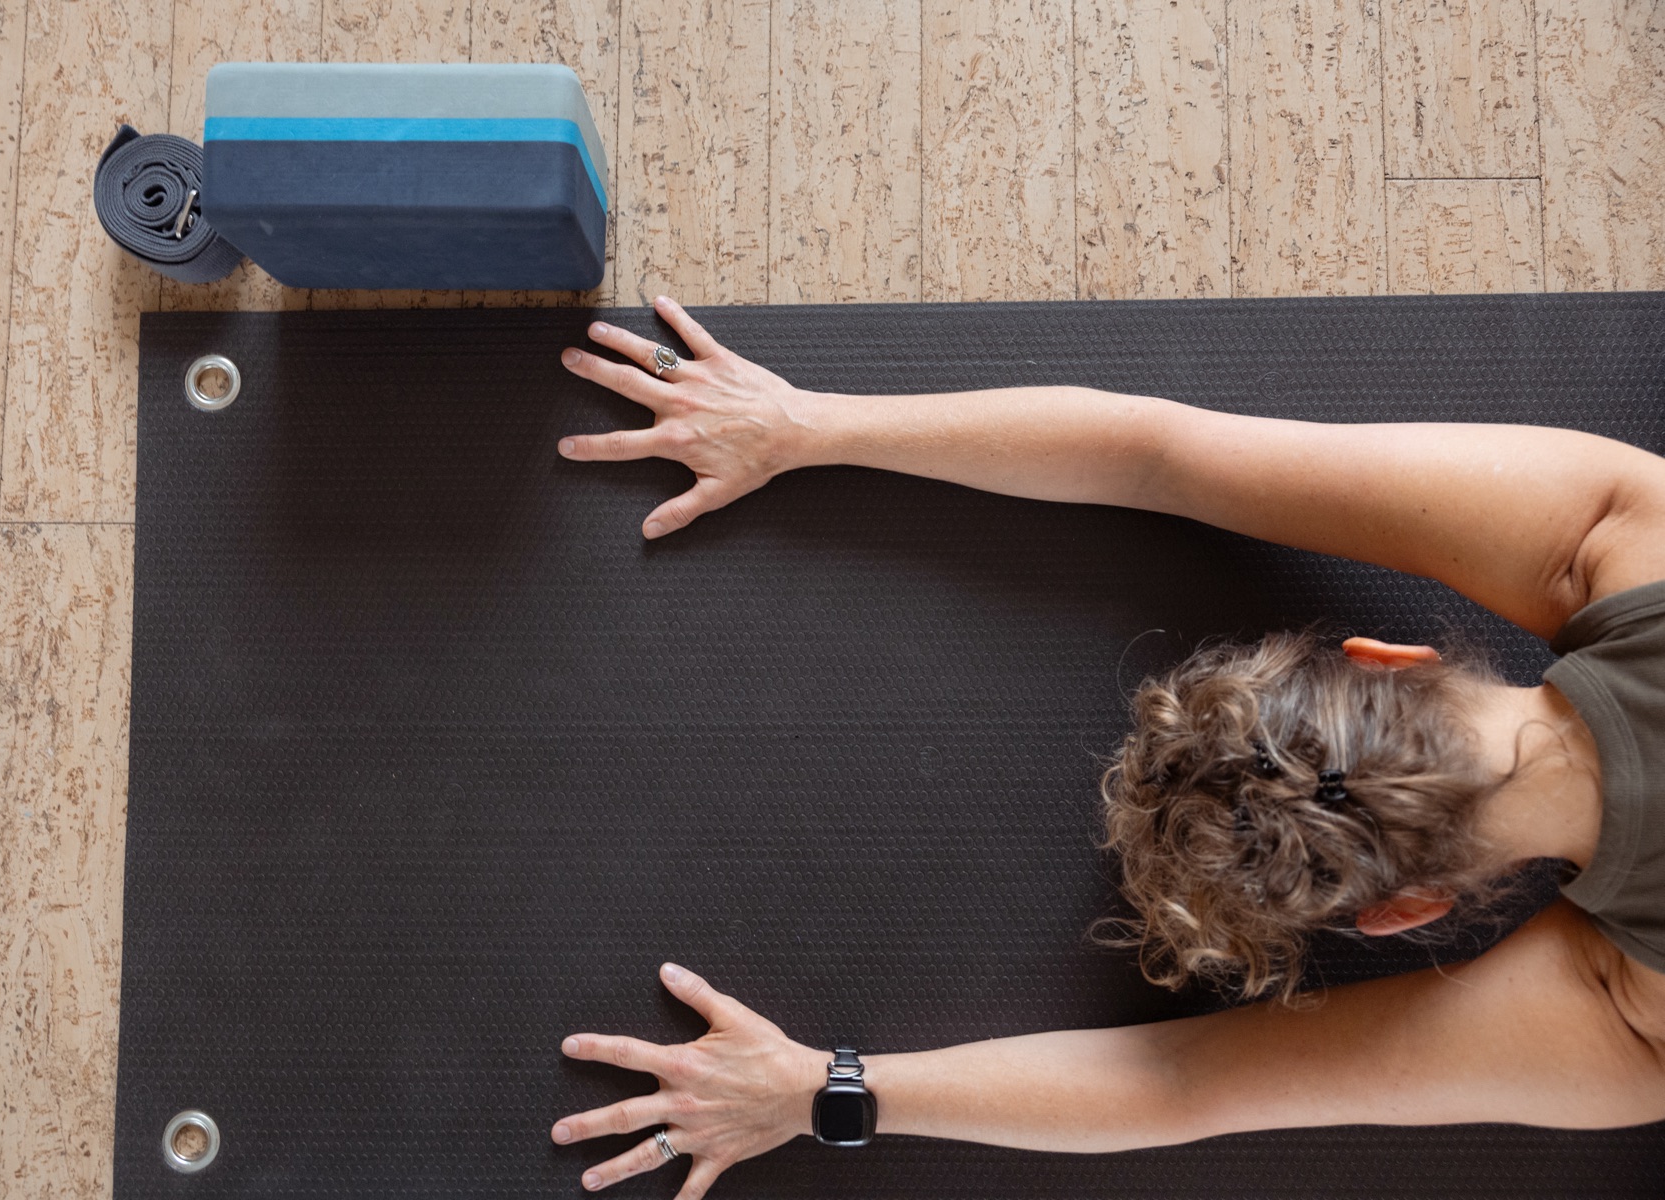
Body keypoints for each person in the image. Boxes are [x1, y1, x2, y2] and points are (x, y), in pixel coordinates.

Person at [545, 297, 1665, 1199]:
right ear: (1388, 658)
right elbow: (1159, 455)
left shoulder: (1639, 1018)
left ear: (1403, 910)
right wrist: (810, 425)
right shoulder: (1635, 541)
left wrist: (825, 1091)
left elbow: (1185, 1087)